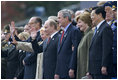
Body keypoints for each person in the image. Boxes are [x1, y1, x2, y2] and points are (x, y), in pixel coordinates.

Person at [54, 9, 82, 79]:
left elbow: (75, 51)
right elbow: (59, 53)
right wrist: (57, 72)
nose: (58, 20)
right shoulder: (62, 32)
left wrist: (72, 68)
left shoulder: (74, 31)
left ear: (66, 18)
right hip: (61, 70)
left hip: (69, 70)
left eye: (59, 18)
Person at [87, 7, 113, 79]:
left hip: (100, 68)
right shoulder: (98, 29)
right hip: (95, 68)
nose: (91, 17)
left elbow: (106, 49)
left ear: (100, 15)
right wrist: (90, 69)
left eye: (92, 15)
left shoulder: (105, 28)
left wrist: (104, 65)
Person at [76, 12, 93, 79]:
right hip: (82, 69)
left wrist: (88, 70)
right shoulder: (85, 35)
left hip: (85, 71)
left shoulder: (90, 35)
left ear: (86, 22)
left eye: (80, 22)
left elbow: (90, 54)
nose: (78, 25)